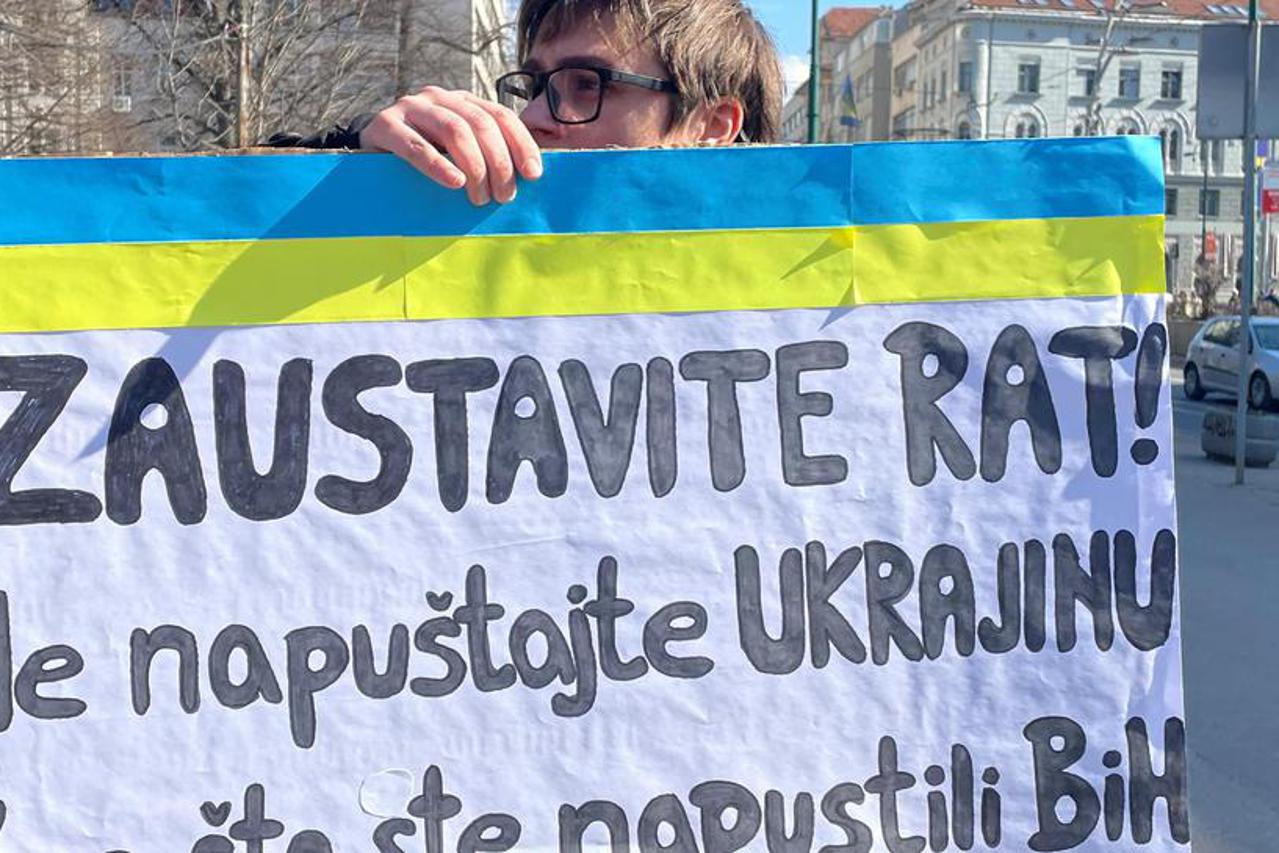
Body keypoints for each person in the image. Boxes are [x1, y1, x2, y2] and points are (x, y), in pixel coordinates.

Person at [268, 0, 782, 207]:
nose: (532, 118)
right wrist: (356, 155)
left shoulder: (794, 314)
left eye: (588, 84)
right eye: (535, 87)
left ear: (712, 125)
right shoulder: (468, 228)